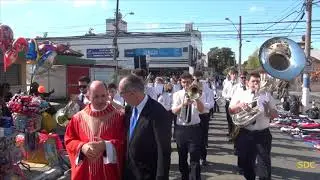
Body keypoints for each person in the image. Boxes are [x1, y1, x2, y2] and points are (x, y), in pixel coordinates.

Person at [65, 81, 126, 180]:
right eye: (96, 97)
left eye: (103, 95)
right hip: (85, 173)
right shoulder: (77, 118)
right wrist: (82, 147)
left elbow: (126, 143)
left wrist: (106, 146)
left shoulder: (119, 117)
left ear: (108, 94)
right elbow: (69, 140)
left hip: (109, 174)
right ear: (88, 97)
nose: (101, 100)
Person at [119, 75, 172, 180]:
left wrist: (161, 177)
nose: (121, 97)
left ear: (132, 93)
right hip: (130, 172)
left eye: (121, 94)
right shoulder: (130, 109)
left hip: (148, 174)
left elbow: (163, 150)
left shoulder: (158, 112)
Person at [229, 72, 278, 180]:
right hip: (245, 133)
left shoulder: (266, 95)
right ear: (247, 83)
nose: (256, 83)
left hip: (262, 133)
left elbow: (275, 115)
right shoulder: (240, 94)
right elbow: (231, 110)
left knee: (264, 164)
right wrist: (239, 106)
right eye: (253, 81)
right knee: (247, 164)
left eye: (258, 81)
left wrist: (267, 109)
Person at [172, 72, 205, 180]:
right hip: (181, 129)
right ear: (181, 83)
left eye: (188, 82)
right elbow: (174, 111)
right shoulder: (177, 94)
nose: (186, 84)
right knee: (182, 157)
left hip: (194, 128)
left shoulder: (199, 93)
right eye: (184, 82)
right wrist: (183, 104)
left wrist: (196, 98)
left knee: (195, 157)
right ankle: (184, 177)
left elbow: (201, 110)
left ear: (192, 82)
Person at [222, 68, 238, 140]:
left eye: (235, 74)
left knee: (235, 119)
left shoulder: (239, 84)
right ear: (230, 75)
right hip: (228, 102)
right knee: (229, 119)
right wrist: (228, 97)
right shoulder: (227, 83)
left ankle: (234, 135)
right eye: (232, 74)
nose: (234, 76)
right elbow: (223, 93)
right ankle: (230, 133)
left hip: (236, 103)